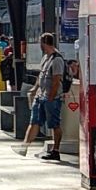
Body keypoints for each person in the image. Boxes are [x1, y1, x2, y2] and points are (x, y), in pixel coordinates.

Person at [20, 32, 67, 160]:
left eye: (41, 43)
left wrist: (51, 97)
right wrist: (35, 90)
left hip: (52, 98)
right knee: (34, 121)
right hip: (41, 97)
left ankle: (56, 151)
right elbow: (41, 76)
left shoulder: (57, 59)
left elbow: (57, 81)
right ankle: (24, 147)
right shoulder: (45, 58)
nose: (40, 45)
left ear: (44, 43)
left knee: (54, 124)